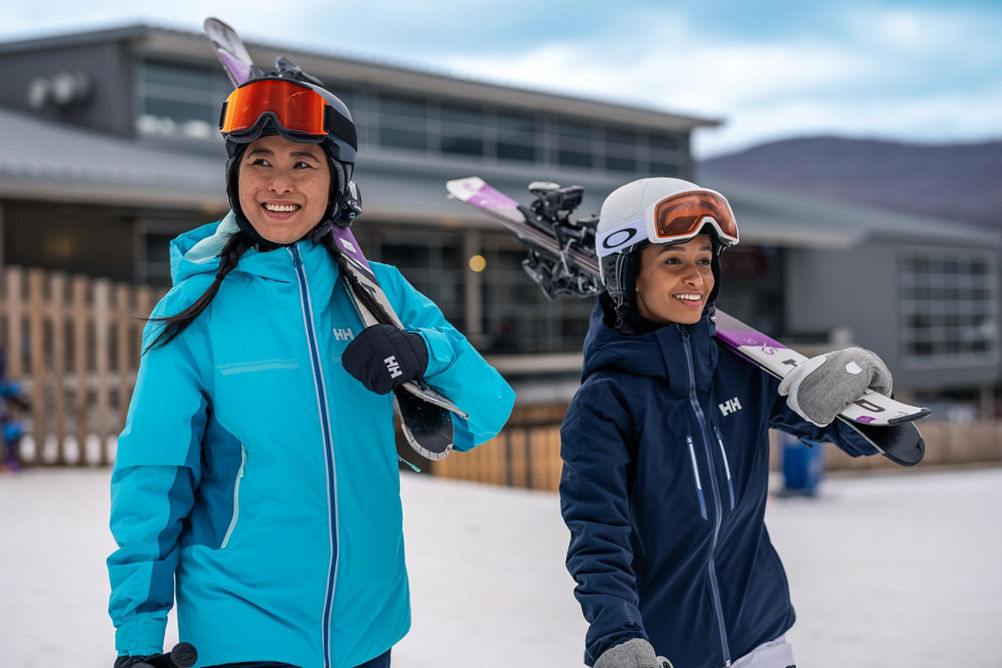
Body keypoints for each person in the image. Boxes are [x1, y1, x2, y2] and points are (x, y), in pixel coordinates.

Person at [107, 73, 515, 668]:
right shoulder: (193, 313)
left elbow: (489, 410)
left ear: (336, 181)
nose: (279, 183)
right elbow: (153, 481)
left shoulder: (381, 295)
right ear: (235, 177)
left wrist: (425, 352)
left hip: (369, 630)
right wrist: (137, 640)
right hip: (241, 631)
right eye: (259, 161)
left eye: (304, 164)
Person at [559, 177, 894, 668]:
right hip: (667, 652)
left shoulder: (741, 368)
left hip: (762, 637)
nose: (695, 278)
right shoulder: (605, 403)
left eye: (703, 260)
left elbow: (836, 427)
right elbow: (598, 537)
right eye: (673, 261)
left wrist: (857, 396)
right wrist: (617, 636)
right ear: (628, 273)